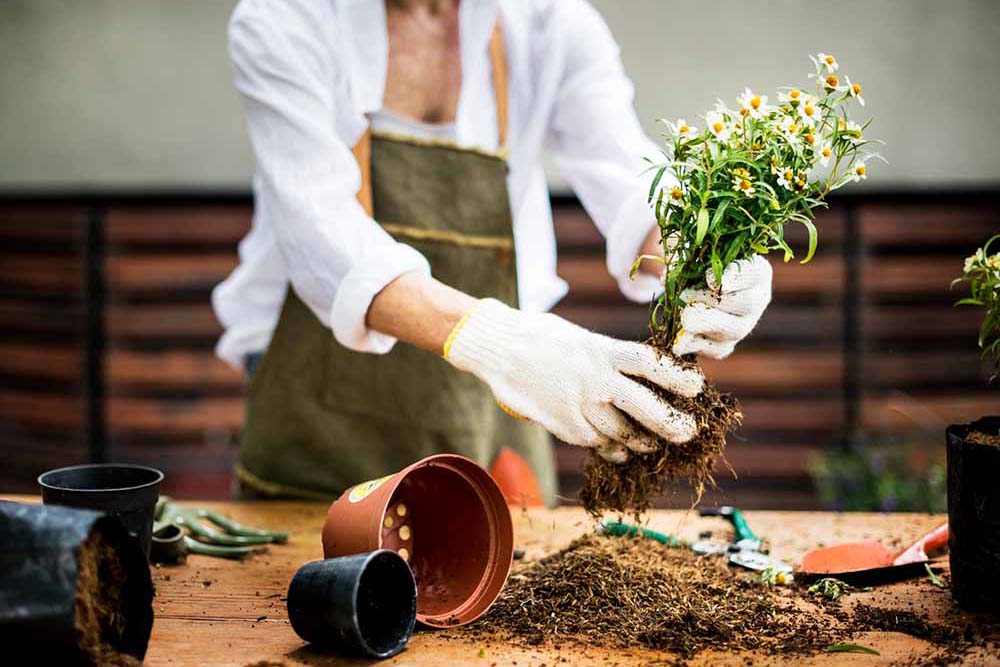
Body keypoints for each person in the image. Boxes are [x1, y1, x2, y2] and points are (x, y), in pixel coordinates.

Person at [212, 0, 772, 504]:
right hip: (320, 414)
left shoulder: (549, 25)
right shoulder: (287, 20)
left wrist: (702, 248)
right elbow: (325, 240)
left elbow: (630, 178)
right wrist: (500, 343)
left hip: (496, 402)